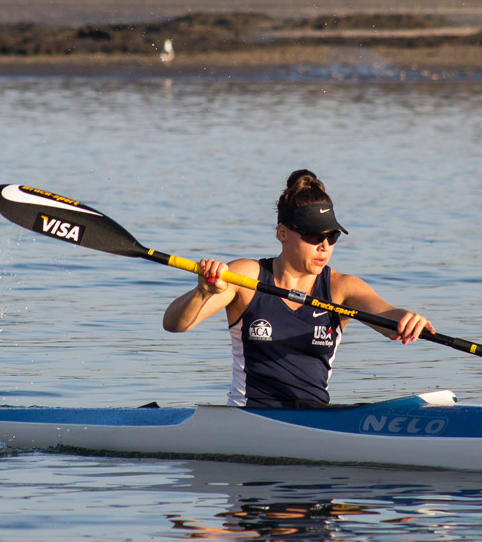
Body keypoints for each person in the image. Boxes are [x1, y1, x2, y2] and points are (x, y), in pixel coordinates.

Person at [163, 169, 433, 408]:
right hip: (250, 417)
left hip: (315, 420)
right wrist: (202, 293)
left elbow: (387, 318)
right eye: (313, 236)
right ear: (282, 233)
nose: (324, 246)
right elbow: (175, 325)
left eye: (332, 236)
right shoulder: (246, 277)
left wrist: (407, 319)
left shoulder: (342, 288)